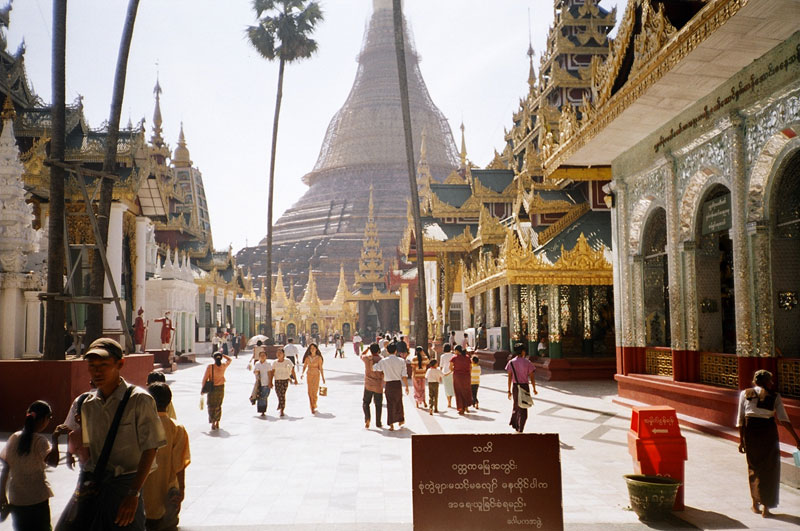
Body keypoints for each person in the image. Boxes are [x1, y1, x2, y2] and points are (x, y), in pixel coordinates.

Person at [68, 337, 166, 530]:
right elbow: (88, 450)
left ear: (120, 364)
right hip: (96, 486)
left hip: (126, 486)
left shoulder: (139, 400)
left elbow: (150, 448)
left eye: (104, 365)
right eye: (92, 365)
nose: (97, 371)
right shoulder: (87, 405)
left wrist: (133, 494)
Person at [737, 369, 800, 518]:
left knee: (754, 467)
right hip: (768, 433)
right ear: (766, 382)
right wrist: (796, 439)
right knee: (770, 469)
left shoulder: (745, 394)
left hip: (751, 433)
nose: (772, 383)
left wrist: (741, 441)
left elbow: (740, 420)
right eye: (770, 381)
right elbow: (784, 420)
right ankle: (766, 507)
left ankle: (755, 503)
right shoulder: (775, 396)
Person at [0, 401, 59, 531]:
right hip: (37, 498)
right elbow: (53, 463)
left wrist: (2, 493)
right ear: (44, 419)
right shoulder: (40, 441)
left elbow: (5, 467)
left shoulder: (14, 437)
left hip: (17, 498)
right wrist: (55, 440)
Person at [142, 383, 190, 531]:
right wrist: (181, 490)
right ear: (169, 402)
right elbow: (180, 464)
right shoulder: (177, 428)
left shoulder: (141, 427)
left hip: (143, 492)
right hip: (168, 494)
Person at [373, 343, 409, 431]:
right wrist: (407, 386)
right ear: (396, 351)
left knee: (390, 403)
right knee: (398, 402)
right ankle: (400, 420)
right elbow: (404, 375)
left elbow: (375, 368)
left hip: (388, 384)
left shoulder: (383, 361)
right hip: (397, 384)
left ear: (387, 351)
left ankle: (391, 423)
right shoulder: (401, 361)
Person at [506, 343, 538, 433]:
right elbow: (532, 376)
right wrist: (534, 388)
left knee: (516, 406)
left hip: (515, 387)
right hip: (524, 386)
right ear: (523, 351)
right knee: (524, 408)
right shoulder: (527, 362)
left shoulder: (511, 363)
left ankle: (516, 425)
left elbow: (509, 377)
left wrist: (509, 390)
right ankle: (521, 428)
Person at [202, 352, 233, 430]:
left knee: (211, 405)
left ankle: (212, 422)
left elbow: (205, 379)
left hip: (212, 389)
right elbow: (229, 360)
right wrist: (223, 355)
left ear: (214, 359)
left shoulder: (210, 367)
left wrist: (203, 388)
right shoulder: (223, 366)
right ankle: (217, 422)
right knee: (218, 405)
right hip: (221, 388)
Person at [360, 343, 384, 429]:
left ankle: (367, 418)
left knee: (366, 402)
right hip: (378, 385)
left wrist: (367, 349)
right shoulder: (382, 360)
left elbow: (361, 355)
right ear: (378, 350)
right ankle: (378, 422)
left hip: (368, 385)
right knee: (378, 404)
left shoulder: (367, 358)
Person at [272, 347, 297, 417]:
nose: (279, 354)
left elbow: (292, 370)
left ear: (283, 354)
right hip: (277, 380)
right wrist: (270, 381)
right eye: (278, 353)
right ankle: (280, 403)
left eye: (280, 353)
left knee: (282, 394)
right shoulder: (274, 362)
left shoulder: (287, 361)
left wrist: (295, 379)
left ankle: (282, 409)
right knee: (278, 393)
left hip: (285, 380)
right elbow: (272, 372)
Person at [301, 344, 325, 414]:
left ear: (316, 349)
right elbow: (305, 366)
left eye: (314, 348)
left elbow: (321, 368)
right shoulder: (307, 358)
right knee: (310, 391)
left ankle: (314, 404)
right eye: (311, 348)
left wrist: (323, 378)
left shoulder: (319, 358)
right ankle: (311, 406)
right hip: (309, 375)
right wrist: (302, 373)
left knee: (315, 391)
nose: (312, 350)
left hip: (316, 375)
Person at [450, 345, 473, 415]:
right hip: (466, 376)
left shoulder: (454, 358)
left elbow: (450, 368)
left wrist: (455, 369)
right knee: (466, 391)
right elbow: (470, 367)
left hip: (457, 377)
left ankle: (461, 408)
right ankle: (466, 406)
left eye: (455, 350)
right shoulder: (467, 357)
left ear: (457, 351)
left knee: (458, 392)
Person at [252, 351, 273, 417]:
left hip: (266, 382)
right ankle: (260, 409)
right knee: (259, 396)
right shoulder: (257, 364)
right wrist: (256, 372)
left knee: (264, 397)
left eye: (264, 355)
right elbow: (255, 372)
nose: (262, 357)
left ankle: (263, 410)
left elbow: (270, 373)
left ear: (266, 356)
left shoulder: (268, 364)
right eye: (261, 355)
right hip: (259, 383)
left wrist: (270, 382)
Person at [439, 344, 456, 409]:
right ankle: (450, 400)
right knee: (451, 387)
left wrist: (440, 375)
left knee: (446, 388)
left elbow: (441, 366)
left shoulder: (442, 356)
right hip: (452, 372)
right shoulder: (453, 355)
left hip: (444, 372)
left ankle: (449, 402)